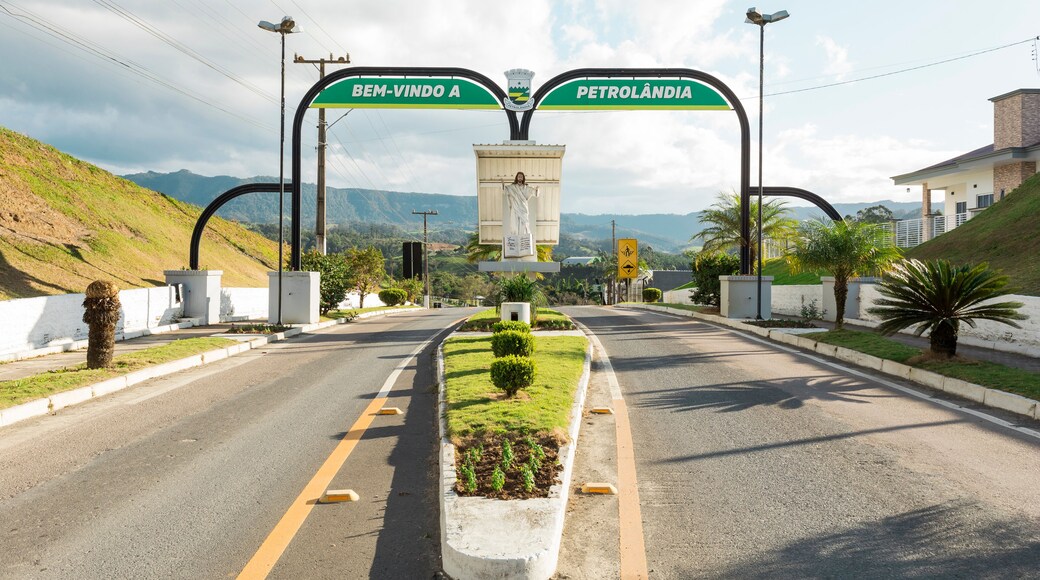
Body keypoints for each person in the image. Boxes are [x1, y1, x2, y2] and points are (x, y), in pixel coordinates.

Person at [502, 171, 539, 244]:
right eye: (519, 176)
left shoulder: (526, 187)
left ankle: (524, 239)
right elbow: (505, 191)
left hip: (523, 208)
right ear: (516, 177)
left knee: (524, 223)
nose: (520, 177)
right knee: (514, 223)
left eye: (521, 176)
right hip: (515, 208)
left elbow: (534, 193)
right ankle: (515, 239)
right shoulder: (512, 187)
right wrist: (502, 184)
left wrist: (537, 189)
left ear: (523, 178)